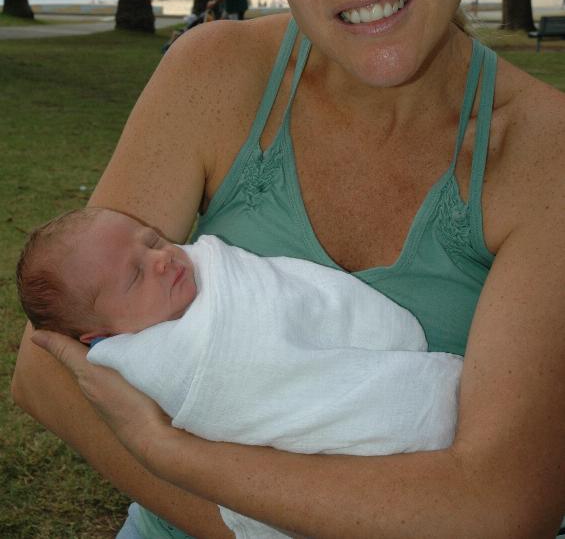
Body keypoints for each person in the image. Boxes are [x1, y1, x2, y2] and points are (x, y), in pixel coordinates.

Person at [12, 0, 565, 539]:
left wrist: (164, 447)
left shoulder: (546, 156)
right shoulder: (216, 74)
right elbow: (47, 366)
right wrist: (231, 523)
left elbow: (498, 507)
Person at [17, 206, 462, 538]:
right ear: (101, 337)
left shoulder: (215, 272)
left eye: (151, 241)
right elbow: (241, 384)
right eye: (135, 277)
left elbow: (287, 296)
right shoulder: (148, 361)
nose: (162, 260)